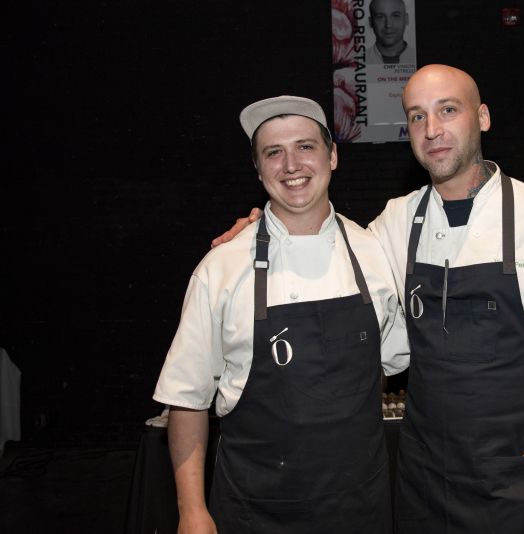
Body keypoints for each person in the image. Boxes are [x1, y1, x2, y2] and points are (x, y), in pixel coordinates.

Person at [213, 65, 524, 533]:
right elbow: (328, 244)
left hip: (522, 478)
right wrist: (261, 230)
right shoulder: (397, 220)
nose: (432, 129)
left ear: (482, 117)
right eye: (417, 116)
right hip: (424, 481)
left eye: (448, 110)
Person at [154, 95, 409, 534]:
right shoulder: (221, 267)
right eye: (274, 152)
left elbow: (386, 365)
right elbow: (187, 399)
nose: (291, 165)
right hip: (256, 510)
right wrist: (191, 511)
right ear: (258, 169)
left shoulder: (373, 251)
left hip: (360, 506)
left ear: (332, 156)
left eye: (305, 146)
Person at [366, 0, 416, 65]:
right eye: (380, 17)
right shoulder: (357, 61)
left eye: (395, 16)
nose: (388, 25)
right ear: (371, 22)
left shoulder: (418, 56)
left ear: (406, 19)